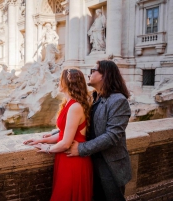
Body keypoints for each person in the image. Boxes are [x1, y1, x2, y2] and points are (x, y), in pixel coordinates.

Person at [23, 68, 93, 201]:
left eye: (61, 79)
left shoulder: (75, 107)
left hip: (73, 161)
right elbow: (64, 134)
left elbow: (66, 143)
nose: (58, 82)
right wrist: (41, 140)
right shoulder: (69, 104)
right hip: (66, 158)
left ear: (67, 83)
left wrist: (47, 149)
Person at [67, 60, 132, 201]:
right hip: (91, 160)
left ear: (104, 75)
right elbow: (80, 125)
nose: (90, 73)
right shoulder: (94, 97)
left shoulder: (118, 101)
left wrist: (82, 148)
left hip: (109, 164)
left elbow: (112, 136)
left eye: (93, 70)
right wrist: (57, 135)